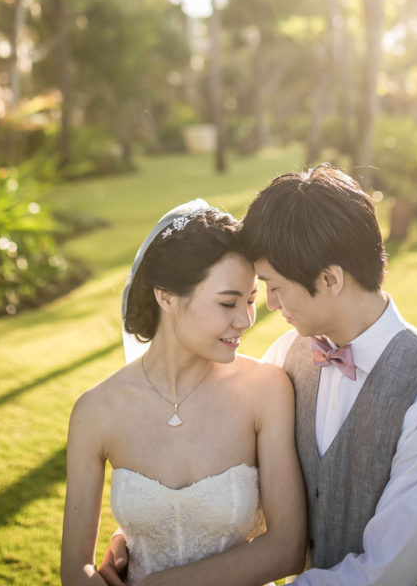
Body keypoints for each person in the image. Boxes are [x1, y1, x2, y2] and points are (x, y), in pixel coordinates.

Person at [103, 167, 417, 586]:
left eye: (272, 286)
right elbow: (232, 487)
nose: (267, 305)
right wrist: (147, 534)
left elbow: (387, 572)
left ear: (330, 279)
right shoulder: (285, 357)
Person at [61, 199, 307, 586]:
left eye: (250, 301)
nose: (244, 320)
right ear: (167, 296)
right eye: (228, 302)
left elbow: (287, 547)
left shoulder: (266, 391)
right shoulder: (96, 411)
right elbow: (76, 568)